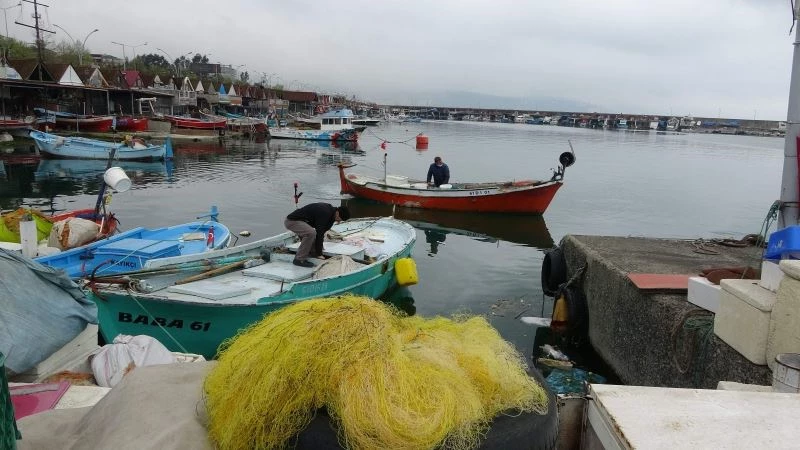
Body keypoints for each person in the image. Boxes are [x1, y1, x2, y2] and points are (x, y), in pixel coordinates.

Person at [284, 203, 351, 267]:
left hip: (302, 222)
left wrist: (319, 248)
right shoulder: (325, 212)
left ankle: (312, 253)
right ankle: (299, 259)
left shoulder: (331, 215)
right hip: (292, 221)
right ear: (338, 213)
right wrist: (319, 254)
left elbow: (322, 233)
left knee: (313, 239)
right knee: (311, 233)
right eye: (340, 219)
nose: (339, 222)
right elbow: (319, 232)